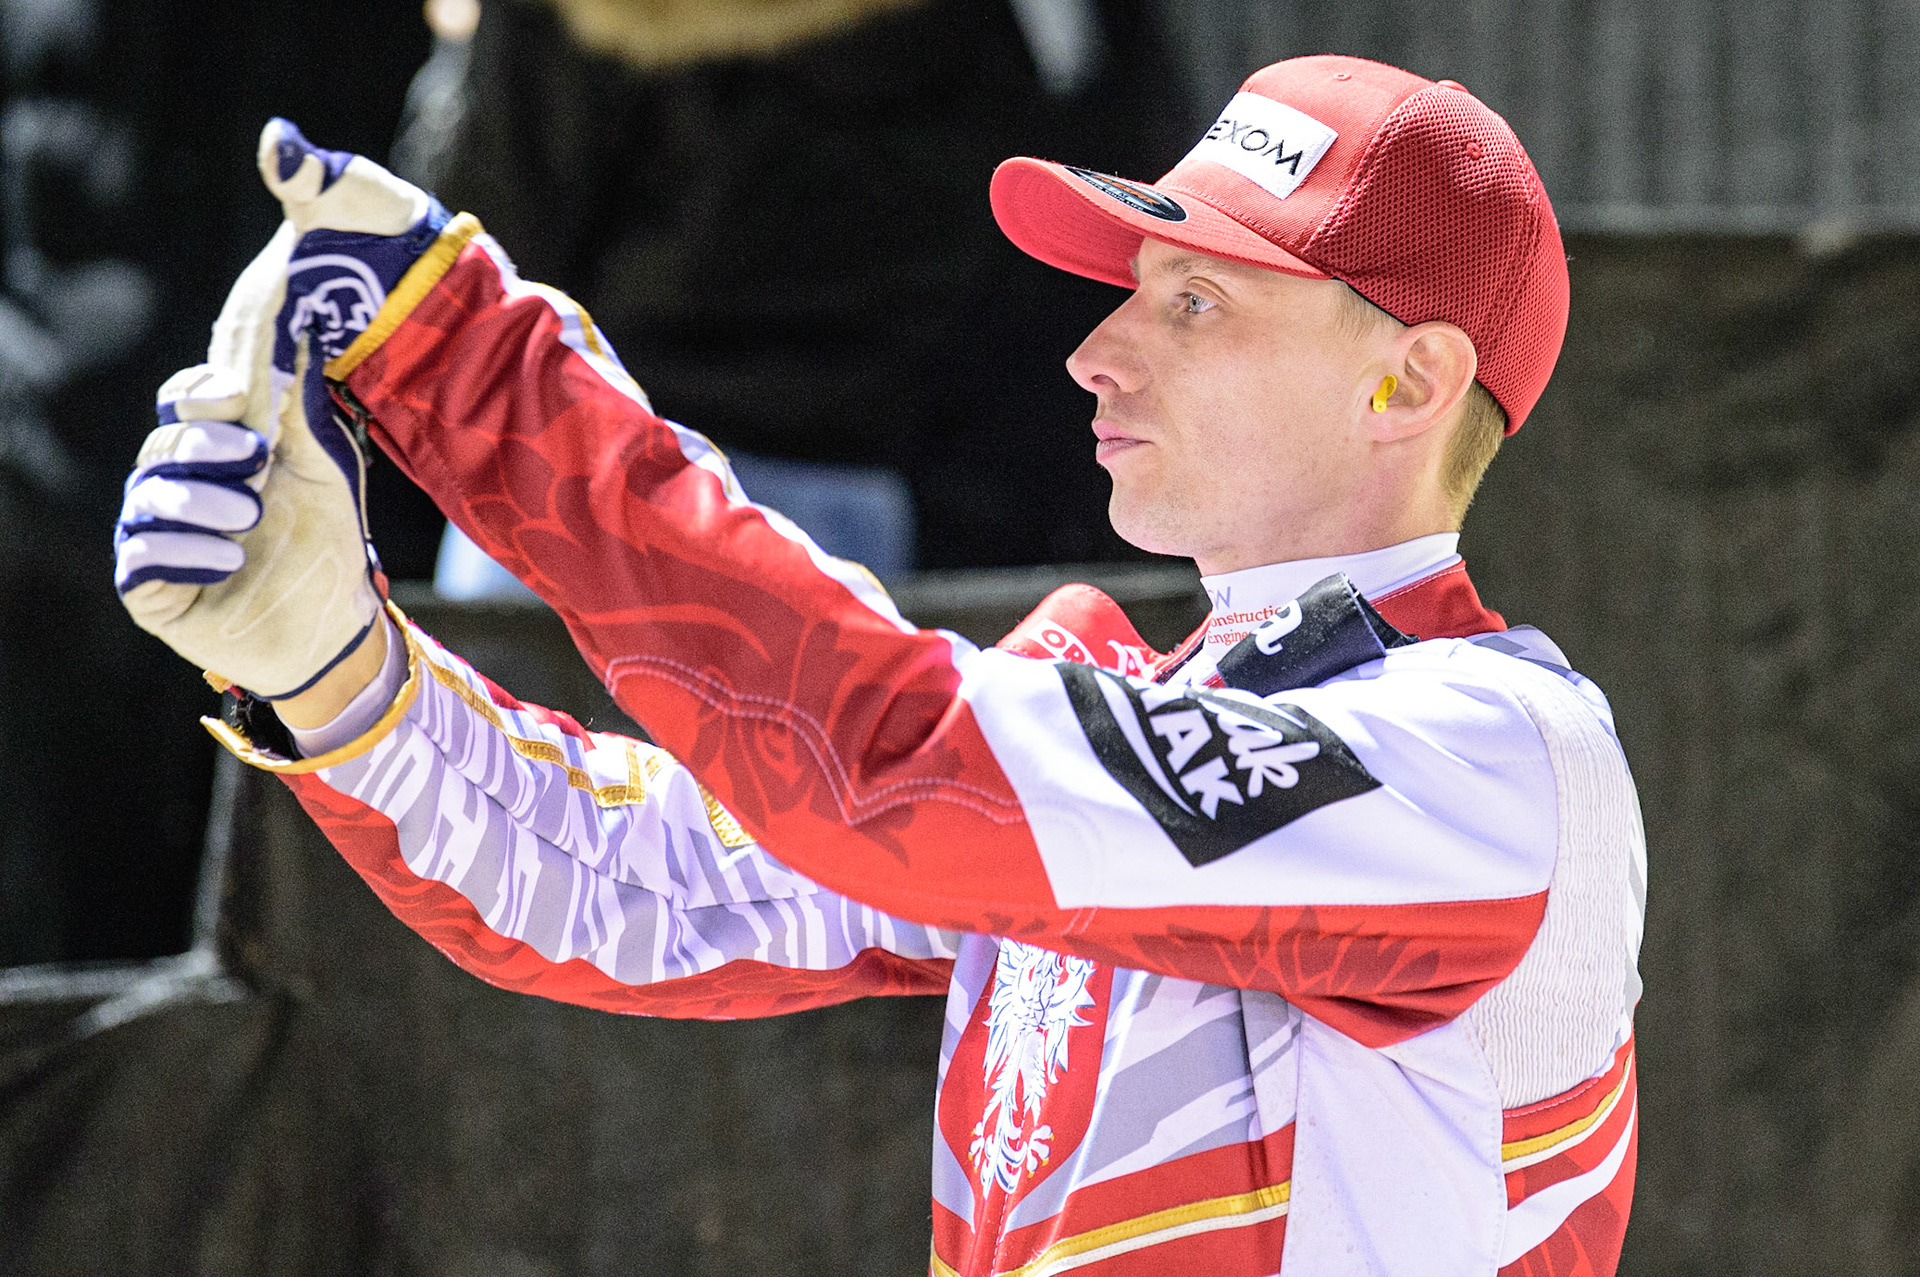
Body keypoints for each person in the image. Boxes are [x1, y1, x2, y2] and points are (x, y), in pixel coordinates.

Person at [112, 54, 1645, 1276]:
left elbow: (887, 762)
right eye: (1130, 292)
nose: (1097, 351)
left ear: (1411, 377)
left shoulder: (1491, 749)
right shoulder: (1128, 733)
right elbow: (638, 883)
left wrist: (473, 366)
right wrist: (329, 667)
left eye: (1194, 301)